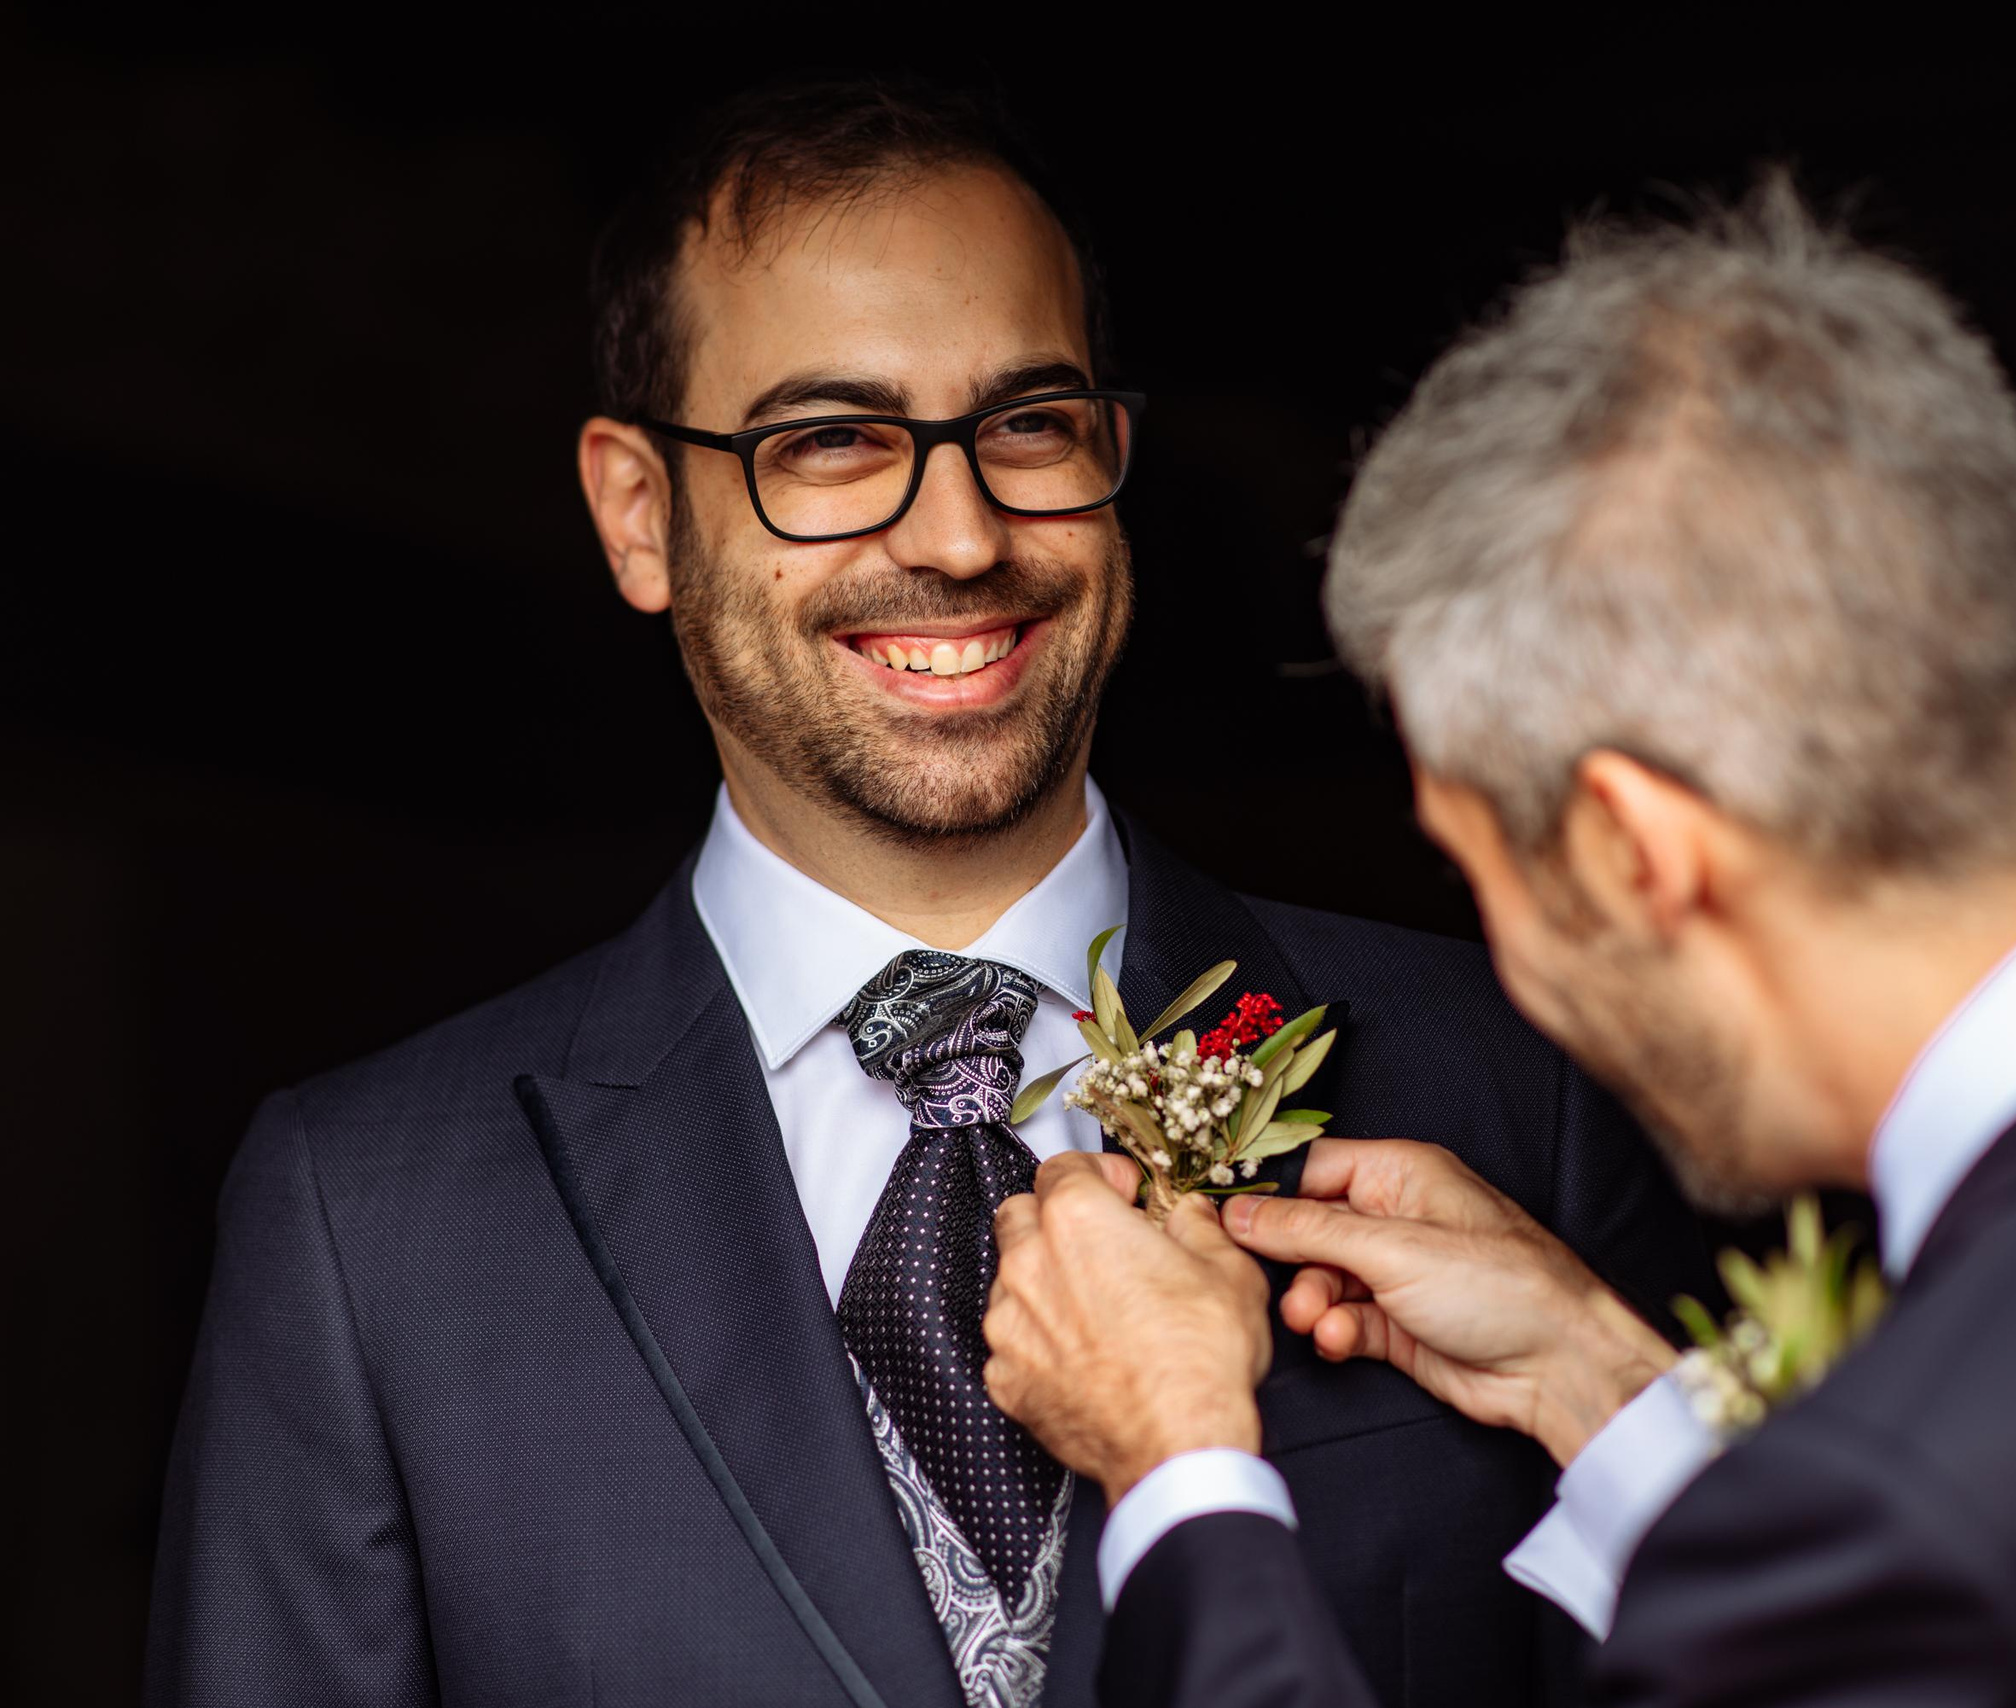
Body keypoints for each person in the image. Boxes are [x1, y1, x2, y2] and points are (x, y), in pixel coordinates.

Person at [144, 79, 1710, 1708]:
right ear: (637, 514)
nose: (960, 537)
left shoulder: (1507, 1080)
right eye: (830, 443)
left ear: (1113, 454)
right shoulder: (366, 1217)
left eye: (1028, 425)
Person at [979, 182, 2016, 1706]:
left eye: (1482, 876)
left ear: (1631, 854)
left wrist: (1183, 1466)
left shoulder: (1914, 1512)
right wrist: (1599, 1383)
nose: (1510, 967)